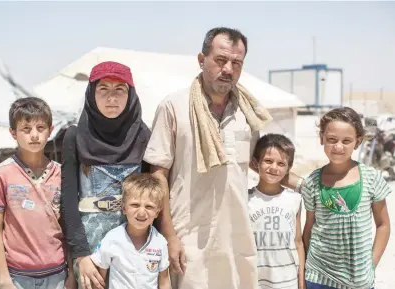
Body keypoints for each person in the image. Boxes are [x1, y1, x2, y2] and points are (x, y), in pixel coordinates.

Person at [143, 27, 304, 289]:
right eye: (220, 60)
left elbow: (262, 166)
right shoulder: (174, 107)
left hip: (237, 235)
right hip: (189, 236)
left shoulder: (247, 112)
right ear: (201, 59)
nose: (228, 69)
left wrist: (313, 185)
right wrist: (169, 235)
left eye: (236, 63)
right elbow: (158, 174)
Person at [61, 61, 151, 289]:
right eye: (104, 89)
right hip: (90, 250)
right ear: (92, 94)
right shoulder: (74, 136)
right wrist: (81, 255)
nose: (112, 98)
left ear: (130, 95)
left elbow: (153, 195)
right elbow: (68, 201)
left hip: (134, 246)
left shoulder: (143, 136)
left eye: (119, 90)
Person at [0, 97, 75, 289]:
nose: (34, 135)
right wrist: (4, 279)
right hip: (17, 276)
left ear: (50, 131)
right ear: (13, 133)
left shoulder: (61, 173)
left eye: (40, 128)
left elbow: (69, 226)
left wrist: (72, 274)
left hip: (58, 273)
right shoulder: (2, 173)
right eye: (26, 129)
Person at [302, 107, 391, 289]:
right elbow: (309, 227)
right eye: (332, 140)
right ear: (322, 139)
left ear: (357, 142)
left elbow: (383, 225)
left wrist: (371, 265)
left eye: (347, 141)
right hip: (318, 276)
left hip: (358, 281)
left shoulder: (372, 178)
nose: (338, 147)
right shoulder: (312, 181)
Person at [90, 173, 170, 289]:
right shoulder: (112, 239)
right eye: (135, 205)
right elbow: (99, 281)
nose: (142, 212)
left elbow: (164, 281)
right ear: (124, 208)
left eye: (149, 207)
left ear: (157, 212)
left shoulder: (160, 242)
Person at [248, 134, 305, 289]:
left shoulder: (295, 199)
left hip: (288, 281)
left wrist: (301, 282)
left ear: (288, 169)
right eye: (268, 161)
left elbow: (298, 242)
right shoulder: (246, 200)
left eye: (281, 163)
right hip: (255, 281)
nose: (274, 167)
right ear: (255, 163)